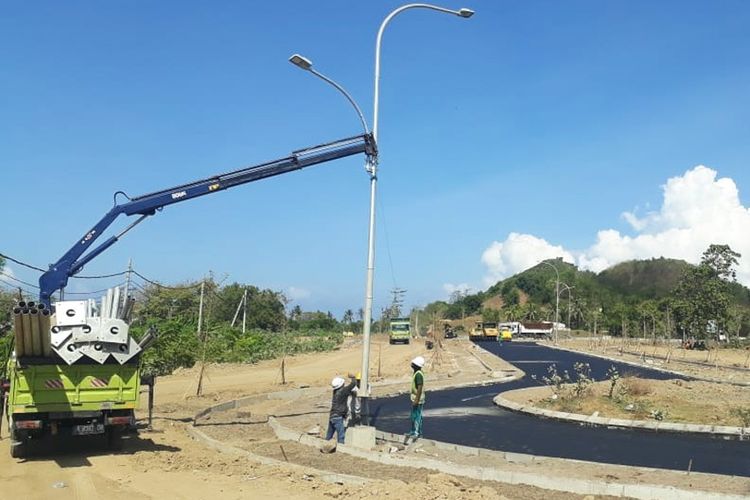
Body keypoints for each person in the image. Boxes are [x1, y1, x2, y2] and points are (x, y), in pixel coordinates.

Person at [326, 374, 357, 444]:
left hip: (332, 416)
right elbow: (353, 384)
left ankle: (325, 445)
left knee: (329, 435)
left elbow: (346, 394)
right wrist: (353, 377)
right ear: (341, 384)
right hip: (338, 417)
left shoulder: (335, 392)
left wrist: (351, 393)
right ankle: (341, 448)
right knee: (341, 435)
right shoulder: (343, 391)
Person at [408, 356, 426, 438]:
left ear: (417, 365)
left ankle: (417, 433)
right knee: (413, 416)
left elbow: (420, 387)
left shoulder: (418, 375)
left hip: (418, 399)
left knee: (417, 416)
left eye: (413, 363)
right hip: (415, 398)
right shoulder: (416, 373)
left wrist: (416, 400)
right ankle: (413, 431)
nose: (411, 364)